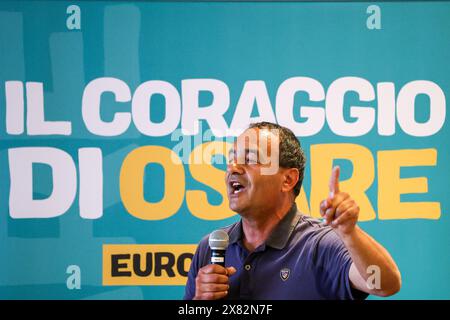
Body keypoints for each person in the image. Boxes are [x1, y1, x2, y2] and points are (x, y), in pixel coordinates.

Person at [184, 121, 401, 300]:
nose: (233, 167)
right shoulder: (210, 248)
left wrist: (349, 233)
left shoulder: (321, 245)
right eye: (231, 160)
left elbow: (383, 284)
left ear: (288, 179)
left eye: (249, 159)